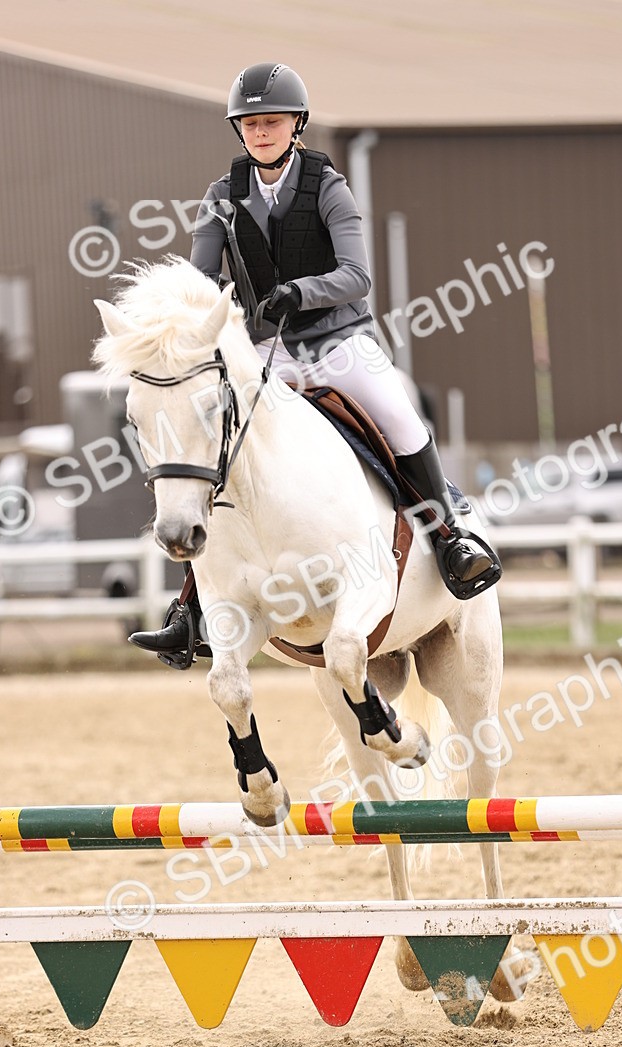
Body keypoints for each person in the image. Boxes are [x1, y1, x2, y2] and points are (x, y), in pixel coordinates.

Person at [131, 62, 500, 664]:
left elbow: (357, 276)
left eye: (272, 122)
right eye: (250, 124)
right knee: (223, 454)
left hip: (337, 344)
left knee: (402, 423)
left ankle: (452, 539)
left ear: (296, 125)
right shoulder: (221, 198)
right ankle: (192, 605)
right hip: (266, 356)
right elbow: (199, 280)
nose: (261, 132)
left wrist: (300, 293)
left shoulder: (328, 187)